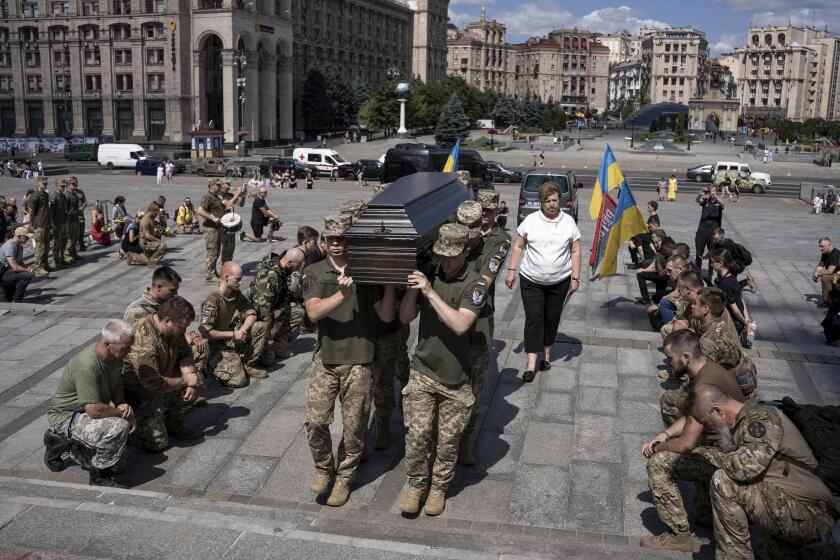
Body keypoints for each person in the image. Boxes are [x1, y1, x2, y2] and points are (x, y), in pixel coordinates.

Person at [302, 214, 396, 507]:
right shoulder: (315, 271)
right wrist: (342, 296)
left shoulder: (365, 274)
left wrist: (390, 283)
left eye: (343, 239)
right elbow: (314, 313)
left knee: (355, 426)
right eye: (332, 240)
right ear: (324, 242)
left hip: (360, 360)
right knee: (317, 421)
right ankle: (323, 466)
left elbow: (387, 316)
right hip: (327, 359)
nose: (338, 245)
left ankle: (344, 476)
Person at [687, 384, 839, 559]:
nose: (707, 428)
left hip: (812, 514)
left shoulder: (761, 419)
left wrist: (708, 455)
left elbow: (745, 468)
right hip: (792, 505)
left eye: (706, 422)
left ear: (718, 411)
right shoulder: (743, 421)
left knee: (724, 482)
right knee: (767, 554)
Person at [397, 223, 487, 516]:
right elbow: (405, 317)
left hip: (456, 378)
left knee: (448, 442)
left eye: (450, 255)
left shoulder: (475, 285)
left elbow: (461, 325)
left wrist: (431, 293)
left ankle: (438, 489)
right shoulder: (431, 272)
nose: (444, 260)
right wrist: (414, 290)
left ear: (464, 250)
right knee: (418, 434)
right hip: (423, 368)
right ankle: (416, 485)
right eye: (441, 254)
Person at [639, 330, 746, 553]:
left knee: (659, 464)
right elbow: (692, 417)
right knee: (702, 516)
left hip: (730, 455)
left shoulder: (702, 386)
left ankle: (678, 536)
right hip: (731, 448)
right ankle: (711, 509)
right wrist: (666, 434)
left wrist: (658, 447)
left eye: (670, 358)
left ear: (685, 357)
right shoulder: (708, 370)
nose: (668, 363)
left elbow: (685, 445)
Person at [43, 319, 136, 487]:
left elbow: (117, 382)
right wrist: (124, 414)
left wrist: (121, 403)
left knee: (120, 465)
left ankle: (78, 447)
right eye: (125, 349)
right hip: (67, 415)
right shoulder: (87, 365)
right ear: (108, 344)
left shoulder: (116, 355)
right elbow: (94, 411)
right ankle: (98, 475)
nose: (128, 353)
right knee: (119, 427)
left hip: (88, 410)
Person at [504, 182, 581, 382]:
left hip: (560, 281)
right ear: (541, 202)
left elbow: (575, 250)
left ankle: (546, 354)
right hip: (531, 280)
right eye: (547, 201)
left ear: (560, 201)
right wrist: (511, 270)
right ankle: (531, 362)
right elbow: (518, 247)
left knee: (551, 318)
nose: (552, 204)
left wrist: (575, 276)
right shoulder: (530, 221)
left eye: (555, 200)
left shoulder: (568, 222)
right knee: (534, 318)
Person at [459, 191, 511, 465]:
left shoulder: (500, 239)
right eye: (482, 211)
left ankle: (466, 441)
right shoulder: (460, 230)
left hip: (479, 320)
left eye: (491, 211)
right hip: (450, 316)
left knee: (474, 388)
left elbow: (484, 278)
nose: (486, 216)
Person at [122, 296, 202, 452]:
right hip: (138, 393)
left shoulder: (174, 331)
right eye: (182, 327)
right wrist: (186, 381)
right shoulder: (144, 339)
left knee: (197, 380)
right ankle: (131, 431)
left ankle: (170, 419)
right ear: (167, 320)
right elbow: (153, 384)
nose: (184, 331)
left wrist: (191, 378)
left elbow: (185, 354)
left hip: (161, 380)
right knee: (158, 444)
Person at [199, 261, 267, 387]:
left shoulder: (235, 294)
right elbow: (205, 332)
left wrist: (242, 331)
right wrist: (232, 334)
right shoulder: (212, 301)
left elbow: (251, 313)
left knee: (259, 327)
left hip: (229, 337)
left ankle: (245, 364)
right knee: (239, 381)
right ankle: (210, 366)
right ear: (226, 277)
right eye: (237, 280)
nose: (240, 283)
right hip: (214, 345)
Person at [688, 287, 758, 404]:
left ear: (706, 309)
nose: (692, 306)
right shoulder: (723, 325)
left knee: (671, 400)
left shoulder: (708, 341)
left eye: (695, 303)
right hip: (741, 384)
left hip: (729, 394)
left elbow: (704, 377)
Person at [246, 248, 305, 365]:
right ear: (289, 263)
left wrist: (281, 309)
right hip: (256, 321)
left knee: (298, 312)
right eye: (297, 267)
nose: (297, 270)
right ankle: (251, 356)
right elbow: (262, 310)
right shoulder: (270, 276)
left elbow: (285, 298)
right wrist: (268, 338)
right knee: (268, 361)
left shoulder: (281, 272)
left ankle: (277, 346)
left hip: (271, 313)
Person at [710, 248, 753, 342]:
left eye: (712, 262)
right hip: (741, 320)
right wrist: (747, 319)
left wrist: (746, 323)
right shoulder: (732, 277)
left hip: (734, 322)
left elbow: (735, 310)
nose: (711, 264)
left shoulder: (725, 284)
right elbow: (741, 300)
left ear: (721, 263)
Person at [708, 228, 757, 292]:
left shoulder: (729, 244)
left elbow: (725, 258)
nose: (714, 240)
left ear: (722, 236)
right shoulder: (717, 244)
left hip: (736, 265)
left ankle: (747, 282)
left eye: (716, 239)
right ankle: (747, 281)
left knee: (730, 286)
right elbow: (715, 253)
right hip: (726, 264)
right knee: (723, 284)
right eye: (713, 238)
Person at [693, 185, 724, 270]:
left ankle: (710, 272)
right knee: (699, 252)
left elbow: (723, 204)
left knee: (712, 253)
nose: (711, 193)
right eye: (710, 191)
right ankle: (698, 270)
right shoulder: (705, 201)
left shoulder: (718, 202)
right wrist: (700, 194)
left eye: (713, 191)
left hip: (714, 232)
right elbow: (697, 200)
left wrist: (716, 197)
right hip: (702, 230)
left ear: (716, 191)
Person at [26, 177, 50, 277]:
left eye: (46, 183)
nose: (45, 185)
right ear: (38, 183)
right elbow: (31, 213)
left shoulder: (45, 194)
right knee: (40, 247)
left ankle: (44, 264)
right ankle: (39, 267)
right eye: (43, 183)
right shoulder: (34, 196)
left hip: (46, 224)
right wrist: (30, 225)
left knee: (46, 246)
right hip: (39, 225)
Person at [0, 227, 33, 302]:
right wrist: (27, 270)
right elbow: (15, 267)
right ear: (19, 236)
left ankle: (13, 296)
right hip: (3, 273)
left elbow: (20, 262)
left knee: (7, 298)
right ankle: (17, 300)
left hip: (9, 272)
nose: (28, 239)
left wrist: (27, 268)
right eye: (26, 237)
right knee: (27, 275)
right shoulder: (10, 245)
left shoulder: (19, 246)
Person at [628, 201, 660, 268]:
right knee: (632, 242)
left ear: (653, 208)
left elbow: (646, 226)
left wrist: (638, 211)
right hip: (647, 237)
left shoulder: (653, 218)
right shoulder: (652, 216)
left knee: (633, 244)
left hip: (650, 238)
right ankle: (638, 261)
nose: (647, 208)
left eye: (649, 207)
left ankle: (639, 262)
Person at [49, 179, 70, 270]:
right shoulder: (54, 197)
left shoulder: (63, 196)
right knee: (57, 243)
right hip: (57, 224)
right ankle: (55, 261)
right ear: (56, 186)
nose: (63, 187)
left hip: (63, 222)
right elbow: (51, 213)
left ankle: (62, 258)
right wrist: (52, 225)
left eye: (64, 186)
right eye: (61, 186)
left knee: (64, 242)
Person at [814, 237, 839, 307]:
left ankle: (828, 302)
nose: (820, 248)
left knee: (825, 278)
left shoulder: (836, 254)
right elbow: (821, 265)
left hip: (838, 274)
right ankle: (830, 299)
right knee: (826, 276)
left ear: (829, 245)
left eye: (822, 246)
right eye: (819, 246)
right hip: (835, 274)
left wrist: (819, 274)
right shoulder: (825, 252)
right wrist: (815, 273)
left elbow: (830, 271)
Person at [138, 202, 166, 266]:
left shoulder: (152, 217)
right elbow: (147, 235)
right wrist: (159, 241)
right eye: (157, 212)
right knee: (163, 245)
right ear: (153, 211)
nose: (158, 213)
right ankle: (152, 261)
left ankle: (131, 255)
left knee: (146, 260)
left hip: (149, 241)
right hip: (145, 242)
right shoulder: (146, 220)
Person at [63, 179, 83, 262]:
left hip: (76, 219)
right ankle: (67, 255)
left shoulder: (74, 194)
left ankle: (73, 252)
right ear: (68, 185)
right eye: (73, 183)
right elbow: (65, 209)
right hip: (69, 220)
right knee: (70, 238)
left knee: (75, 237)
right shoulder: (66, 195)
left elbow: (74, 207)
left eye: (75, 183)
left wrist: (78, 211)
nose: (75, 184)